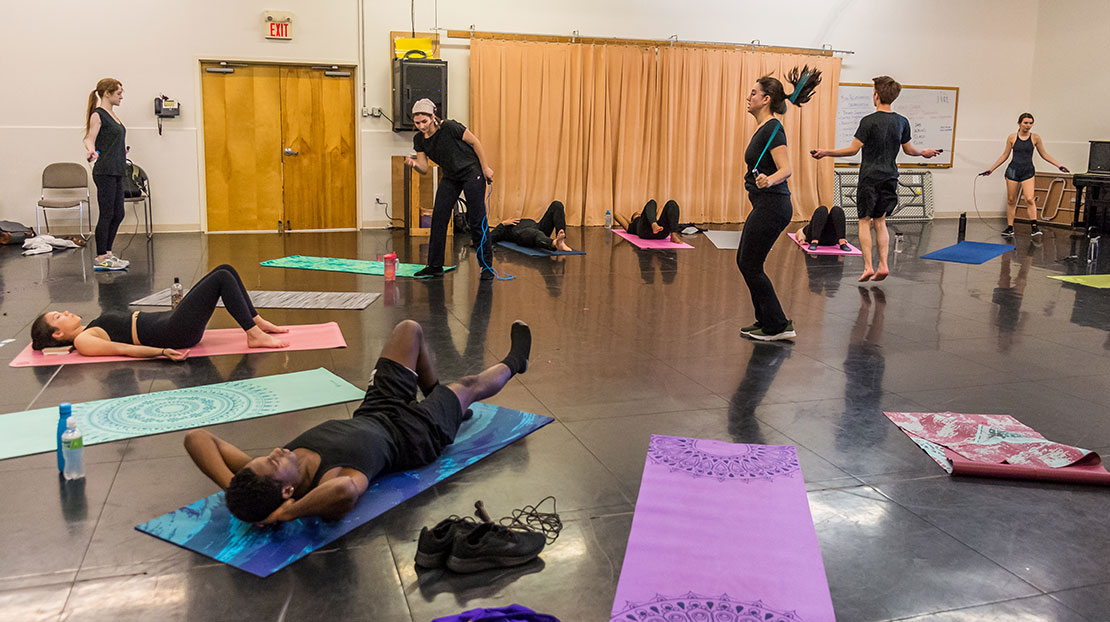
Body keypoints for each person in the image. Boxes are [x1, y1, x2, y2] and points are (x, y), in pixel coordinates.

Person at [183, 319, 533, 524]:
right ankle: (516, 361)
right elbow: (345, 492)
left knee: (409, 330)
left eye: (269, 456)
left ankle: (439, 395)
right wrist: (287, 514)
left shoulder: (263, 477)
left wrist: (232, 487)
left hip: (376, 407)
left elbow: (197, 438)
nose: (276, 451)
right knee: (468, 386)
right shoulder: (329, 483)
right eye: (275, 461)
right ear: (287, 491)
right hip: (416, 433)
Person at [812, 76, 939, 282]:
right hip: (890, 177)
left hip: (869, 178)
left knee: (864, 222)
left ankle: (868, 267)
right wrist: (924, 152)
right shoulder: (902, 122)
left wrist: (826, 152)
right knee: (880, 221)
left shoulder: (868, 121)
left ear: (876, 95)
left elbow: (853, 150)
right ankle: (884, 265)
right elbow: (909, 150)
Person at [30, 264, 288, 359]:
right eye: (57, 317)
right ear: (57, 334)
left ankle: (255, 320)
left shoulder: (88, 329)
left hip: (169, 322)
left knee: (226, 270)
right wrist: (162, 352)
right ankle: (253, 334)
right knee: (221, 278)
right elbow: (125, 351)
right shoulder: (84, 341)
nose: (64, 312)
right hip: (173, 332)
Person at [738, 66, 822, 342]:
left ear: (765, 100)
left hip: (773, 205)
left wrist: (769, 181)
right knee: (746, 261)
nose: (748, 97)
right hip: (765, 204)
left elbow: (786, 169)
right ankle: (766, 321)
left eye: (753, 93)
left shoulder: (773, 129)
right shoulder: (764, 128)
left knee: (750, 264)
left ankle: (777, 325)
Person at [404, 99, 496, 280]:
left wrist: (485, 168)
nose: (421, 126)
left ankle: (486, 267)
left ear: (432, 117)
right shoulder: (419, 140)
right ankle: (434, 265)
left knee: (477, 219)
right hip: (451, 177)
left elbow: (475, 143)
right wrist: (413, 164)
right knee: (439, 218)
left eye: (425, 121)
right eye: (417, 123)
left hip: (472, 172)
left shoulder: (450, 127)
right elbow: (423, 168)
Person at [981, 113, 1069, 238]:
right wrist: (991, 169)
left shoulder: (1035, 138)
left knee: (1029, 198)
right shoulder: (1012, 137)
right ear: (1019, 123)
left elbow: (1044, 154)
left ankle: (1034, 226)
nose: (1028, 125)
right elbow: (1004, 155)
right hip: (1013, 170)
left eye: (1030, 123)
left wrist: (1059, 165)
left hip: (1028, 171)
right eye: (1025, 123)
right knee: (1011, 199)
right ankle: (1010, 227)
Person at [83, 78, 130, 272]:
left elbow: (111, 140)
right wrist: (91, 151)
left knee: (119, 213)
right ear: (107, 94)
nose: (121, 96)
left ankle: (108, 253)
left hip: (117, 168)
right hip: (104, 171)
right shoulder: (98, 114)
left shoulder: (114, 116)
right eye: (118, 93)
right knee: (107, 213)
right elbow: (89, 138)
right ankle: (101, 255)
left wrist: (121, 150)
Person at [489, 200, 575, 252]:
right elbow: (489, 238)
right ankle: (554, 243)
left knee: (557, 204)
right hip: (522, 234)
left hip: (537, 226)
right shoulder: (503, 229)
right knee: (535, 233)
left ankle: (561, 237)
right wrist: (502, 224)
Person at [615, 200, 682, 245]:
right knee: (652, 202)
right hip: (645, 232)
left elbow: (661, 208)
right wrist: (631, 221)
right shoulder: (632, 225)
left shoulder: (652, 217)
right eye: (637, 214)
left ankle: (673, 234)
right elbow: (616, 214)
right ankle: (654, 225)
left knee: (672, 203)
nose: (639, 213)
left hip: (660, 232)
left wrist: (654, 218)